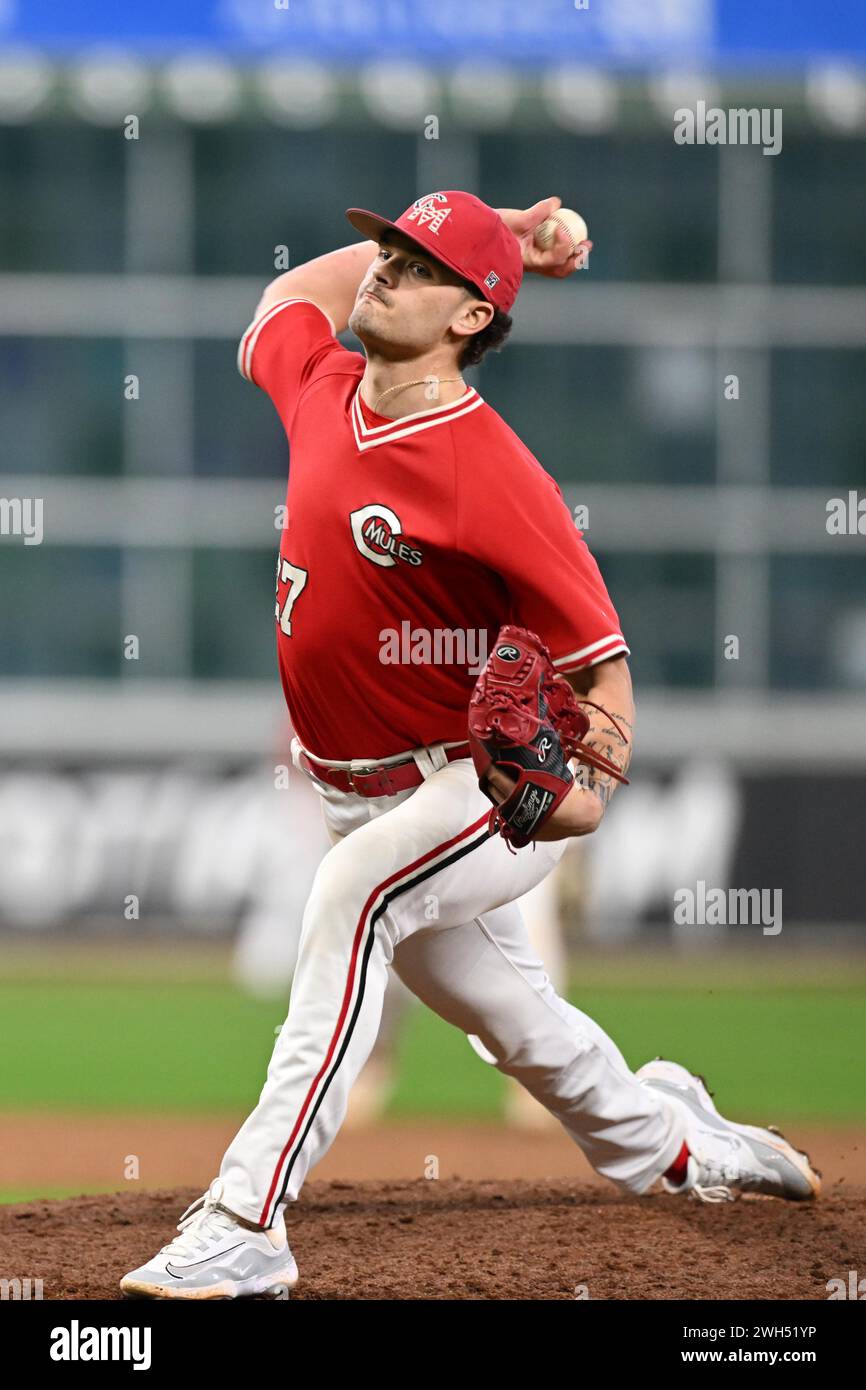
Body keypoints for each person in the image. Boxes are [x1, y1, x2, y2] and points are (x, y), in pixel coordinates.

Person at [120, 192, 819, 1300]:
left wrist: (576, 802)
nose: (386, 269)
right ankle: (681, 1140)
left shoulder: (492, 471)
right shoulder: (320, 385)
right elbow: (280, 298)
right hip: (354, 789)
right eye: (389, 248)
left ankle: (247, 1217)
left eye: (420, 262)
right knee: (523, 1033)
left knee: (351, 893)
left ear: (469, 315)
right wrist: (491, 225)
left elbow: (604, 671)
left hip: (471, 792)